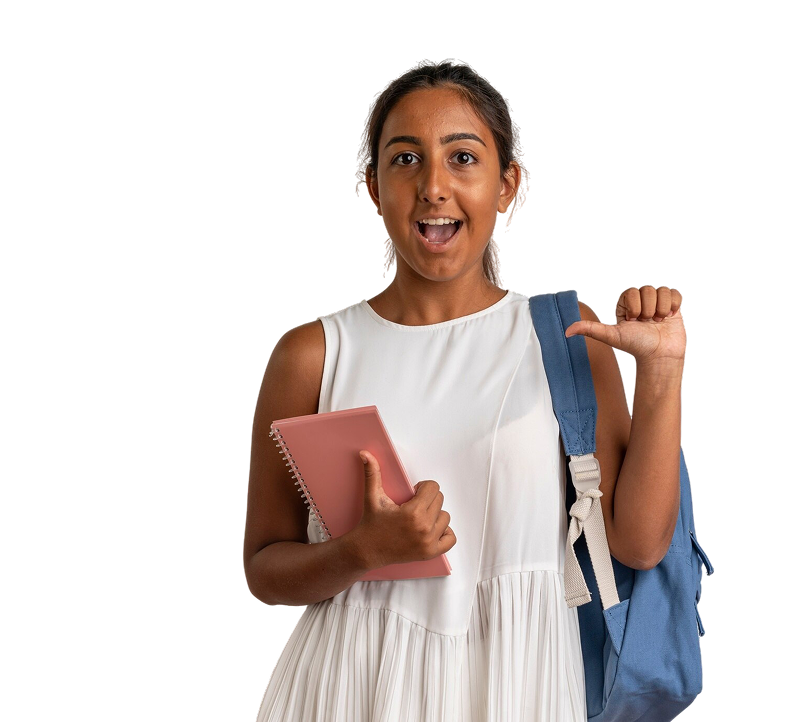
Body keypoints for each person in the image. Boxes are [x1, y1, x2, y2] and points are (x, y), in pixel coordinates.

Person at [244, 58, 686, 721]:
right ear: (371, 188)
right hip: (350, 687)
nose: (433, 186)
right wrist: (361, 552)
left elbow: (639, 544)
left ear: (509, 185)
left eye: (462, 158)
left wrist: (662, 372)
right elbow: (263, 567)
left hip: (519, 684)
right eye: (404, 160)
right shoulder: (312, 354)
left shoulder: (567, 335)